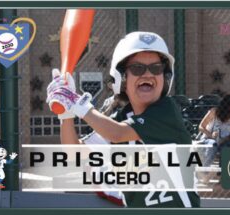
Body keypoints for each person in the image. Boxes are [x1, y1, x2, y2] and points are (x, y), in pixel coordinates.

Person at [46, 31, 200, 207]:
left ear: (164, 77)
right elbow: (73, 152)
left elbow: (117, 134)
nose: (148, 74)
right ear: (122, 78)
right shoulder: (120, 119)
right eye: (137, 68)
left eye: (156, 68)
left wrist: (76, 103)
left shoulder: (166, 111)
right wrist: (66, 114)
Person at [197, 94, 230, 167]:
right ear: (228, 106)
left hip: (223, 142)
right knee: (213, 144)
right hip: (208, 139)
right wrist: (211, 135)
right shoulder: (214, 112)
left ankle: (221, 172)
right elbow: (201, 126)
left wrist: (224, 139)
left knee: (227, 147)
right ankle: (204, 169)